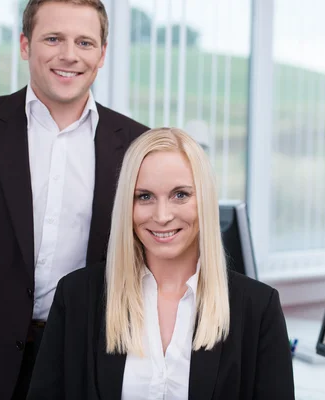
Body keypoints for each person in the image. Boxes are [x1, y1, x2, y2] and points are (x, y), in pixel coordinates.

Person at [0, 1, 148, 399]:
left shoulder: (135, 144)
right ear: (25, 45)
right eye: (53, 38)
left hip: (84, 364)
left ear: (102, 54)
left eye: (85, 42)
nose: (69, 55)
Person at [26, 128, 295, 399]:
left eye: (180, 195)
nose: (162, 215)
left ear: (204, 199)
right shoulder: (77, 298)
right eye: (144, 196)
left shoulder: (258, 309)